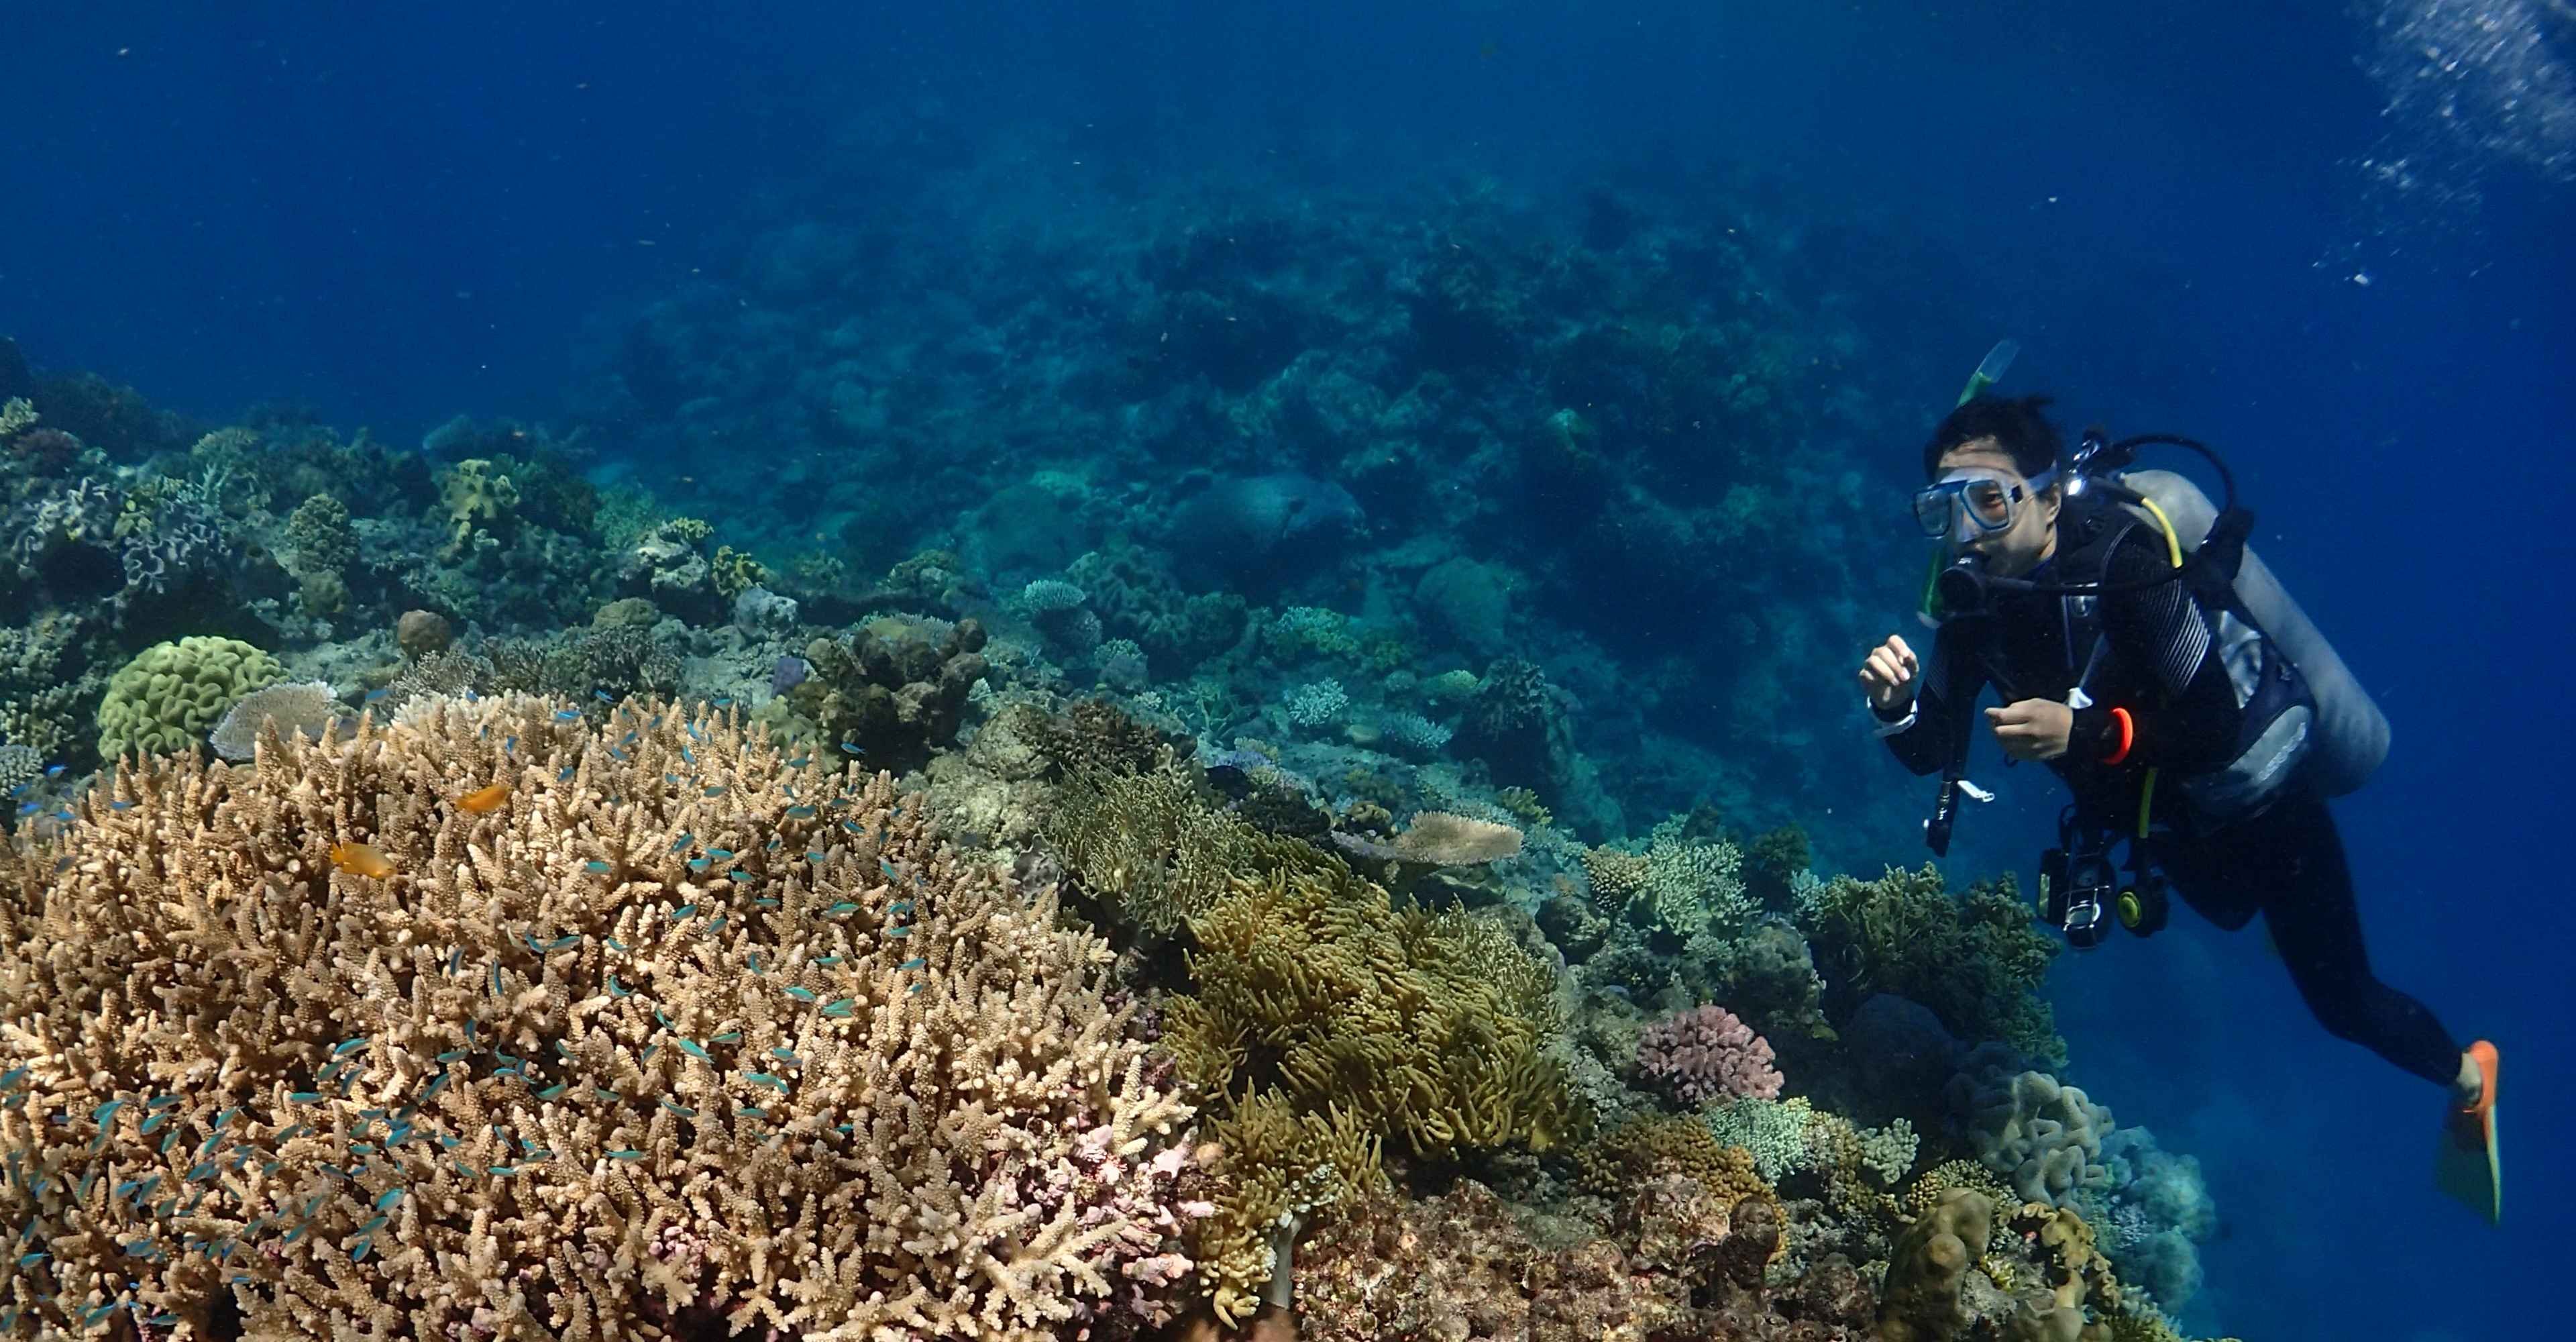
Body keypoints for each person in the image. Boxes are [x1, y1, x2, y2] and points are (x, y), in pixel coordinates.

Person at [1857, 394, 2502, 1220]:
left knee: (2343, 1001)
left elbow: (2212, 720)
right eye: (1944, 508)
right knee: (2231, 910)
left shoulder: (2127, 567)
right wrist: (1896, 706)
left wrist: (2085, 732)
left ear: (2048, 497)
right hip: (2162, 825)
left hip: (2261, 806)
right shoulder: (1971, 608)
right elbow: (1929, 752)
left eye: (1989, 499)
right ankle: (2287, 918)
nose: (1969, 531)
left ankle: (2471, 1075)